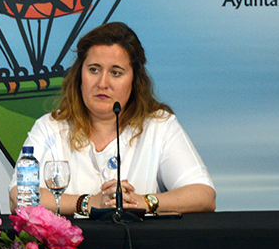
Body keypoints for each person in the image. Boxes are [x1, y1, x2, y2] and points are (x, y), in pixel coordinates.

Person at [11, 22, 215, 215]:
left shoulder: (159, 125)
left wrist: (141, 202)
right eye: (94, 70)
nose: (102, 83)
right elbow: (18, 198)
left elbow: (203, 195)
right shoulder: (51, 127)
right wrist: (88, 203)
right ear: (78, 75)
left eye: (116, 73)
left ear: (134, 80)